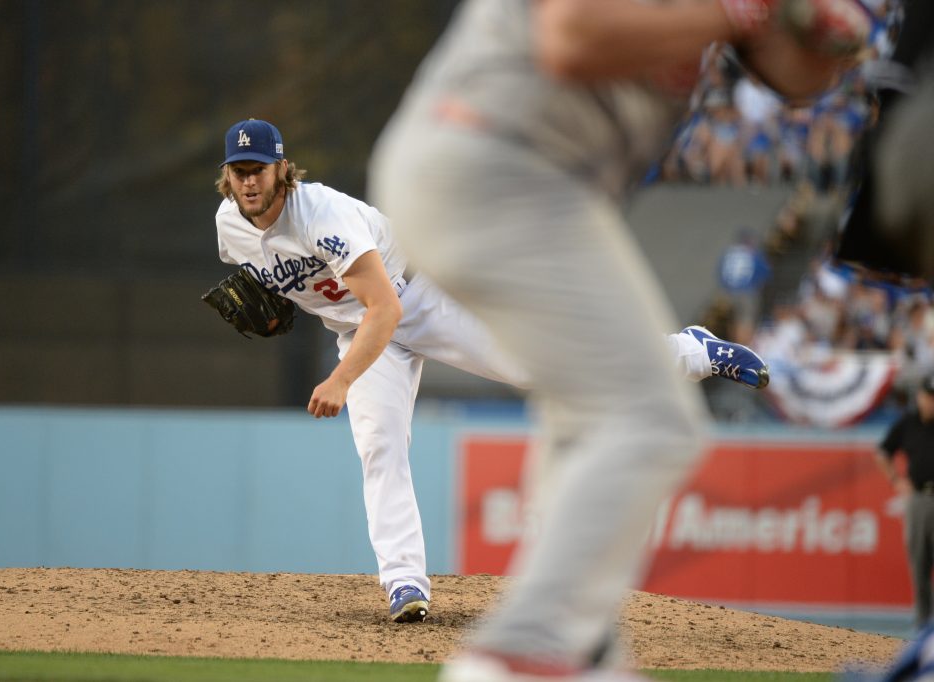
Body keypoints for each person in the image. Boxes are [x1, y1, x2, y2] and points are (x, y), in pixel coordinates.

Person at [367, 0, 867, 678]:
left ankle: (584, 646)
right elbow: (569, 35)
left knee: (592, 419)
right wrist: (741, 11)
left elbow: (796, 73)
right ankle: (524, 648)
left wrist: (821, 28)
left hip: (532, 187)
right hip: (490, 164)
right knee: (650, 420)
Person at [211, 118, 769, 626]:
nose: (249, 182)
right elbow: (269, 279)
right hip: (358, 330)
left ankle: (692, 351)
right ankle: (404, 583)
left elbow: (387, 311)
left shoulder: (323, 215)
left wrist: (341, 381)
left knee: (540, 365)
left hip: (421, 295)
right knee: (378, 444)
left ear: (282, 169)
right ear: (228, 177)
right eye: (238, 172)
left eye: (258, 169)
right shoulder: (229, 227)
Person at [875, 374, 934, 631]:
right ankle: (923, 629)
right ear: (920, 396)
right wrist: (896, 481)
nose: (931, 402)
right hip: (919, 498)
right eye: (929, 396)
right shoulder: (909, 423)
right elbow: (883, 451)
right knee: (919, 565)